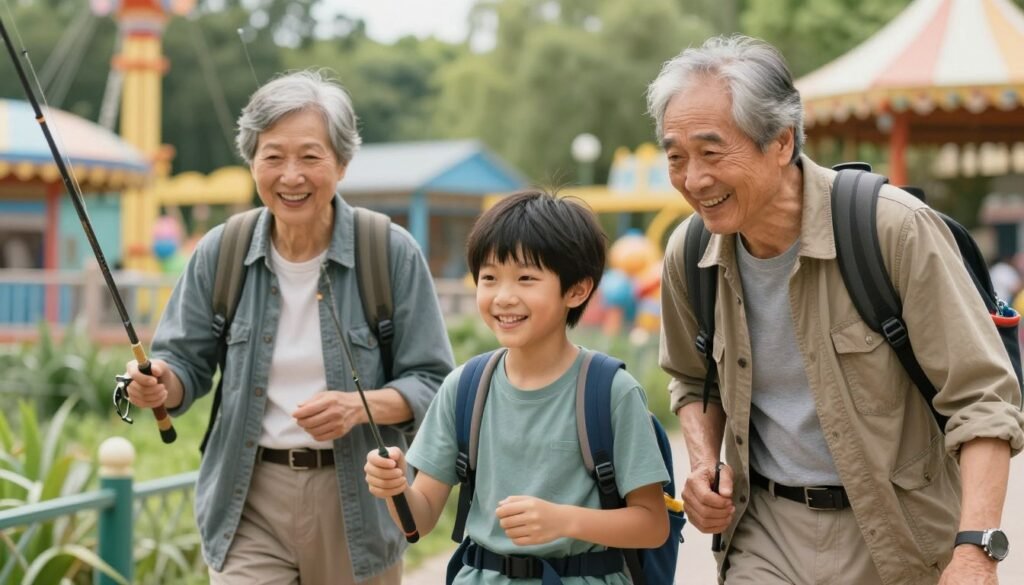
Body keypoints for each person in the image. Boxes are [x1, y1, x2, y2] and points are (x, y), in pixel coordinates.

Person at [650, 35, 1024, 584]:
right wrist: (705, 462)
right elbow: (688, 377)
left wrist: (976, 549)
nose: (693, 180)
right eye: (676, 157)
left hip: (903, 537)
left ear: (780, 143)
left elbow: (983, 398)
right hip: (765, 535)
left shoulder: (893, 229)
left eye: (711, 153)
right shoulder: (690, 255)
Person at [124, 70, 454, 584]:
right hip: (249, 492)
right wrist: (158, 383)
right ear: (252, 161)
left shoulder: (388, 252)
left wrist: (355, 407)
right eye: (273, 156)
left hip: (360, 500)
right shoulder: (222, 250)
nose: (290, 176)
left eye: (310, 156)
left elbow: (435, 385)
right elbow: (183, 364)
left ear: (342, 163)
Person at [363, 190, 670, 583]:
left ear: (576, 290)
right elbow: (419, 521)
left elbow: (651, 524)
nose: (504, 297)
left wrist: (564, 521)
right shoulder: (465, 387)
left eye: (526, 278)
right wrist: (395, 488)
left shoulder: (610, 391)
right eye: (489, 278)